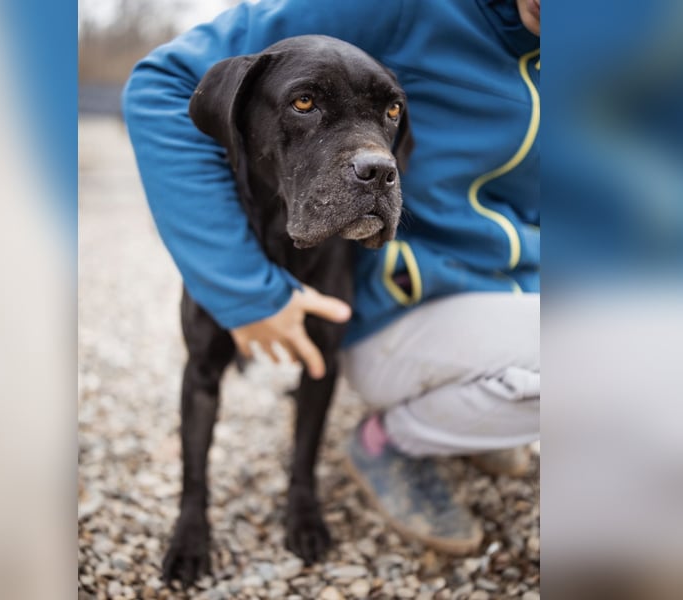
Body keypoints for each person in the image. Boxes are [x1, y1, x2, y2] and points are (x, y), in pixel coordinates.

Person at [124, 0, 540, 552]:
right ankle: (193, 509)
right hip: (351, 283)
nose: (376, 158)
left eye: (386, 116)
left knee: (318, 371)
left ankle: (305, 489)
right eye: (305, 103)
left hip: (446, 291)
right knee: (206, 367)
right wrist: (242, 289)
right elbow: (161, 83)